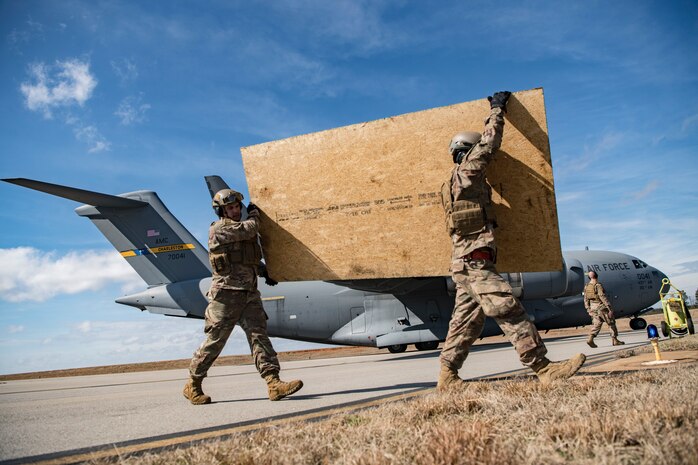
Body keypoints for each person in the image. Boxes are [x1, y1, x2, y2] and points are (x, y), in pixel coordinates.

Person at [437, 91, 586, 390]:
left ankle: (447, 377)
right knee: (508, 308)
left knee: (465, 322)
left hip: (463, 264)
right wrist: (496, 110)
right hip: (475, 262)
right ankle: (543, 368)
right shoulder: (468, 171)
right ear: (467, 150)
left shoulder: (448, 185)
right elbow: (490, 143)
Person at [183, 188, 303, 404]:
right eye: (231, 207)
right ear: (222, 211)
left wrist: (264, 271)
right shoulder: (219, 230)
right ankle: (193, 384)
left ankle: (273, 383)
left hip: (249, 293)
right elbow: (250, 228)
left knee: (259, 336)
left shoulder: (242, 232)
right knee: (215, 341)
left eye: (238, 206)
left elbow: (248, 259)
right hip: (226, 295)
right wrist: (255, 214)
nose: (236, 210)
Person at [584, 271, 624, 347]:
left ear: (589, 277)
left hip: (593, 308)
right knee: (611, 323)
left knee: (597, 324)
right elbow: (602, 297)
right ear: (597, 276)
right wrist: (609, 309)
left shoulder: (587, 286)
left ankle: (590, 338)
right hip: (601, 307)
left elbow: (585, 299)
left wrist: (588, 309)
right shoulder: (598, 285)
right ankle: (615, 340)